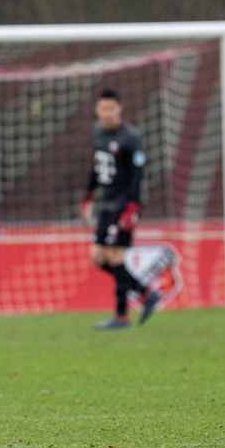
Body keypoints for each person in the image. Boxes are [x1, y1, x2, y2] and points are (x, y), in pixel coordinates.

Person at [81, 88, 160, 329]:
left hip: (123, 206)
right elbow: (97, 167)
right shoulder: (97, 133)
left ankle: (121, 316)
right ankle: (144, 292)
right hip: (107, 203)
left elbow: (138, 175)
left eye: (111, 108)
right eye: (103, 108)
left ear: (119, 109)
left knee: (115, 257)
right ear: (97, 110)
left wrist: (132, 208)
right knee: (98, 257)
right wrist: (88, 195)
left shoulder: (130, 136)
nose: (107, 113)